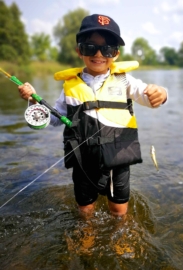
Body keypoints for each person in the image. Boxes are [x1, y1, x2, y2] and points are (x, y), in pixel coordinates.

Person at [18, 14, 167, 217]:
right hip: (83, 159)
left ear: (115, 54)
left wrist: (161, 93)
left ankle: (120, 240)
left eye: (107, 48)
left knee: (118, 210)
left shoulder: (125, 81)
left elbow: (148, 97)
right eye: (90, 47)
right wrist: (35, 101)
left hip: (118, 157)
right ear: (79, 51)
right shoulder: (70, 88)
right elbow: (54, 119)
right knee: (85, 210)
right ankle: (85, 239)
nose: (99, 54)